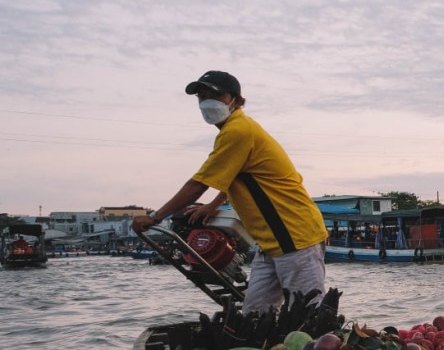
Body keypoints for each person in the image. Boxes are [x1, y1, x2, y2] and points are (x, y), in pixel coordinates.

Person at [132, 71, 329, 315]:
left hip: (295, 237)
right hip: (270, 242)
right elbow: (236, 176)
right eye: (202, 98)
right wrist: (214, 204)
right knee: (255, 315)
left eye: (215, 96)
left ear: (235, 100)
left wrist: (155, 217)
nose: (207, 103)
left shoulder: (238, 131)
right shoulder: (232, 132)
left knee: (308, 316)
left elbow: (198, 184)